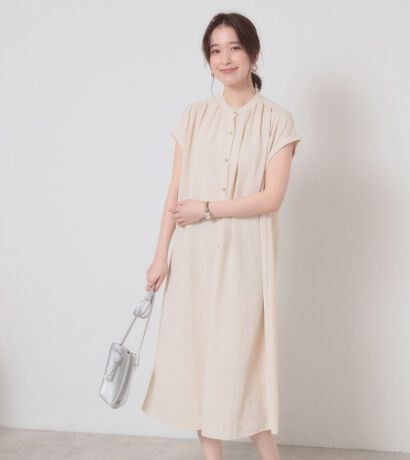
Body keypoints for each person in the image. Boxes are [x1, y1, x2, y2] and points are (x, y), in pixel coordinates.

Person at [142, 12, 301, 460]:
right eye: (216, 50)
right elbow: (174, 192)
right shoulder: (194, 116)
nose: (225, 58)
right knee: (197, 363)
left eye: (234, 48)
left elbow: (272, 198)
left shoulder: (277, 121)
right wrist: (160, 255)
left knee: (240, 368)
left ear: (253, 53)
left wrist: (208, 208)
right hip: (192, 261)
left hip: (245, 261)